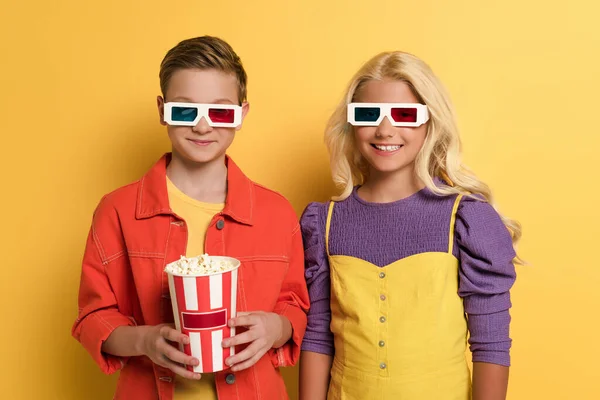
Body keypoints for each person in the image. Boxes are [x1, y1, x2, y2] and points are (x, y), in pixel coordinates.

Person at [72, 35, 309, 400]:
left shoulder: (276, 213)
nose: (202, 126)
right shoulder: (117, 211)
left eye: (220, 111)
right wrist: (146, 341)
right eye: (184, 111)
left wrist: (275, 328)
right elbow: (93, 316)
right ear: (161, 109)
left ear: (242, 114)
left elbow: (294, 307)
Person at [299, 51, 521, 400]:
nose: (385, 129)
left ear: (431, 122)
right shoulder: (324, 222)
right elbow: (317, 336)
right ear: (351, 124)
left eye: (405, 115)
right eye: (368, 114)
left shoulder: (466, 219)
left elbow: (490, 345)